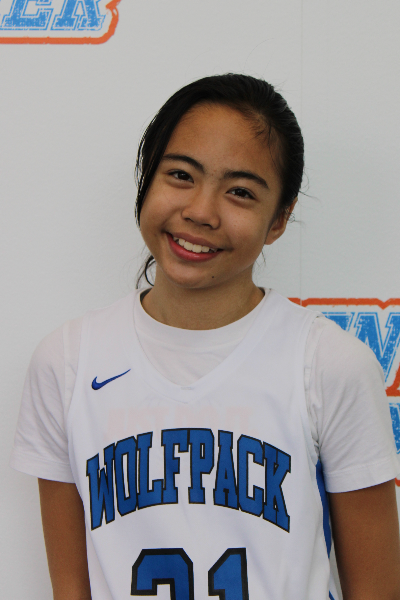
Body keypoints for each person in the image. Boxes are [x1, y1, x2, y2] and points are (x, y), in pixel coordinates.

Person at [10, 74, 400, 600]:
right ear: (147, 177)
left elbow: (377, 589)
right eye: (180, 175)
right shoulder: (66, 361)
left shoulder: (330, 364)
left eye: (240, 191)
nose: (200, 211)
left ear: (279, 219)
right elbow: (70, 588)